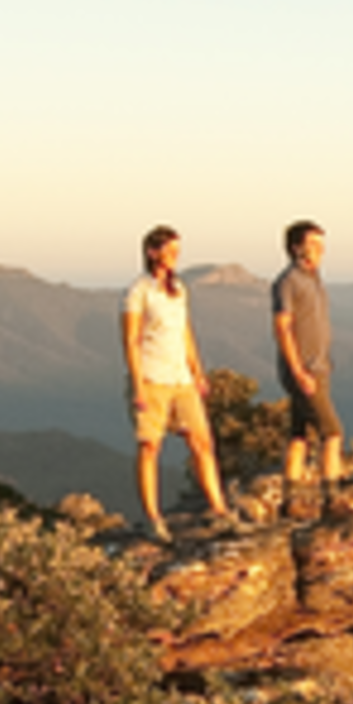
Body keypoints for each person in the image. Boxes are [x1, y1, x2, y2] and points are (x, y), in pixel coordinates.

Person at [121, 224, 227, 537]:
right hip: (152, 378)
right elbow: (130, 340)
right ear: (153, 253)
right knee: (150, 446)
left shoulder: (179, 290)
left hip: (181, 378)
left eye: (177, 250)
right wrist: (138, 385)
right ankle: (154, 518)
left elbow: (185, 333)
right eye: (169, 250)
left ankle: (219, 509)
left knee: (202, 442)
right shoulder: (138, 291)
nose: (175, 256)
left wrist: (198, 372)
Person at [271, 217, 344, 513]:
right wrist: (299, 370)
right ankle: (332, 499)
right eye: (313, 244)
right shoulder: (288, 282)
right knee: (332, 433)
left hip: (318, 367)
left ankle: (291, 501)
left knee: (299, 434)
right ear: (295, 248)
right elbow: (283, 328)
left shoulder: (313, 279)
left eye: (321, 245)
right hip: (305, 371)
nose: (319, 251)